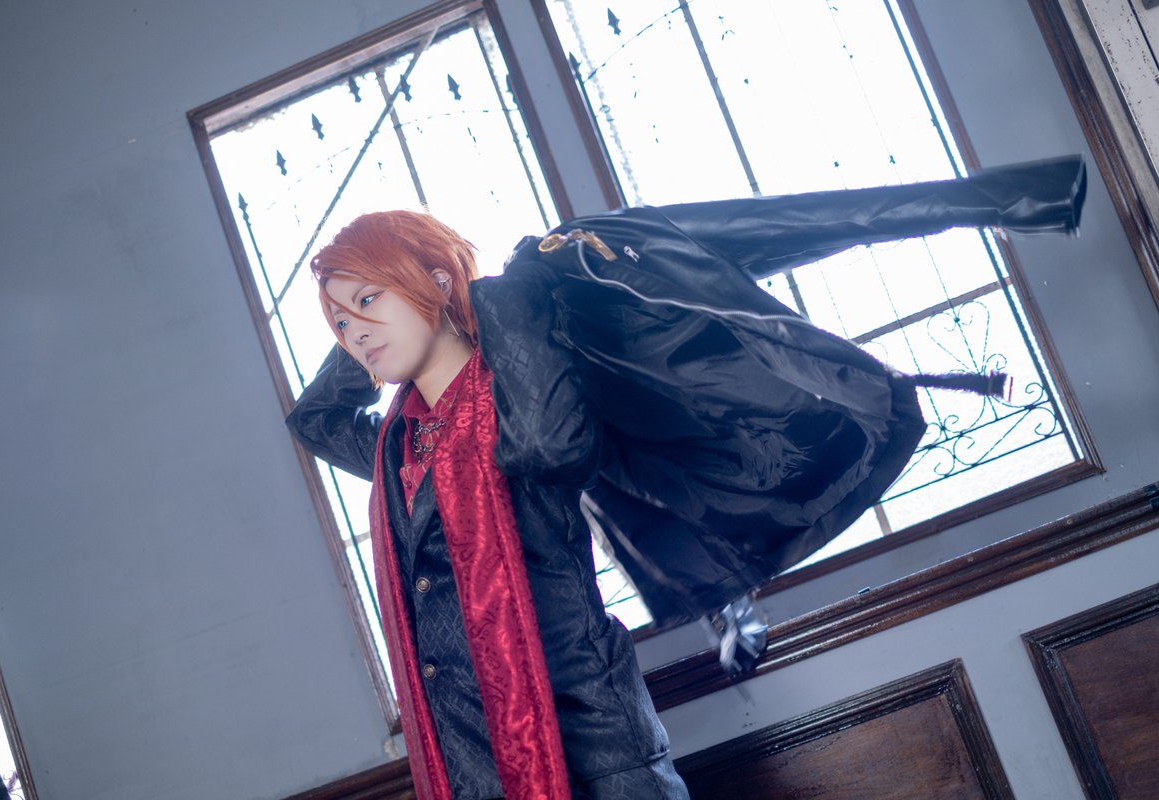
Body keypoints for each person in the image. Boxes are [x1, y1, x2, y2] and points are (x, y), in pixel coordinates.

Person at [286, 155, 1087, 800]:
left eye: (369, 300)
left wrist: (483, 302)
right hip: (471, 759)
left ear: (432, 278)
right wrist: (382, 323)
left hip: (593, 743)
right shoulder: (400, 448)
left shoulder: (520, 381)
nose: (355, 331)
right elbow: (315, 420)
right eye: (340, 320)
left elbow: (552, 449)